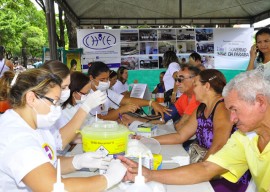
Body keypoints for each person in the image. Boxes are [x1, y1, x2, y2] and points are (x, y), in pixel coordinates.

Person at [119, 69, 270, 191]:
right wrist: (149, 174)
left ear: (260, 102)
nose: (232, 119)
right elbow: (206, 168)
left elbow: (215, 149)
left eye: (235, 109)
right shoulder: (244, 136)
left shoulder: (241, 130)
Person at [0, 68, 127, 191]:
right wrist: (107, 179)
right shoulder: (15, 138)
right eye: (54, 102)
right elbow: (53, 188)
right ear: (31, 98)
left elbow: (47, 163)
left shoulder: (37, 125)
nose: (57, 108)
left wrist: (77, 161)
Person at [41, 60, 107, 151]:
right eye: (64, 87)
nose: (68, 90)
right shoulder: (48, 112)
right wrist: (86, 107)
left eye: (68, 87)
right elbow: (59, 141)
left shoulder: (57, 107)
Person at [87, 61, 170, 121]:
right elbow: (100, 119)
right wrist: (122, 110)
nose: (106, 82)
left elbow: (127, 100)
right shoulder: (87, 95)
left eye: (107, 79)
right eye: (102, 79)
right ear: (91, 78)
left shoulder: (105, 91)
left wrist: (151, 103)